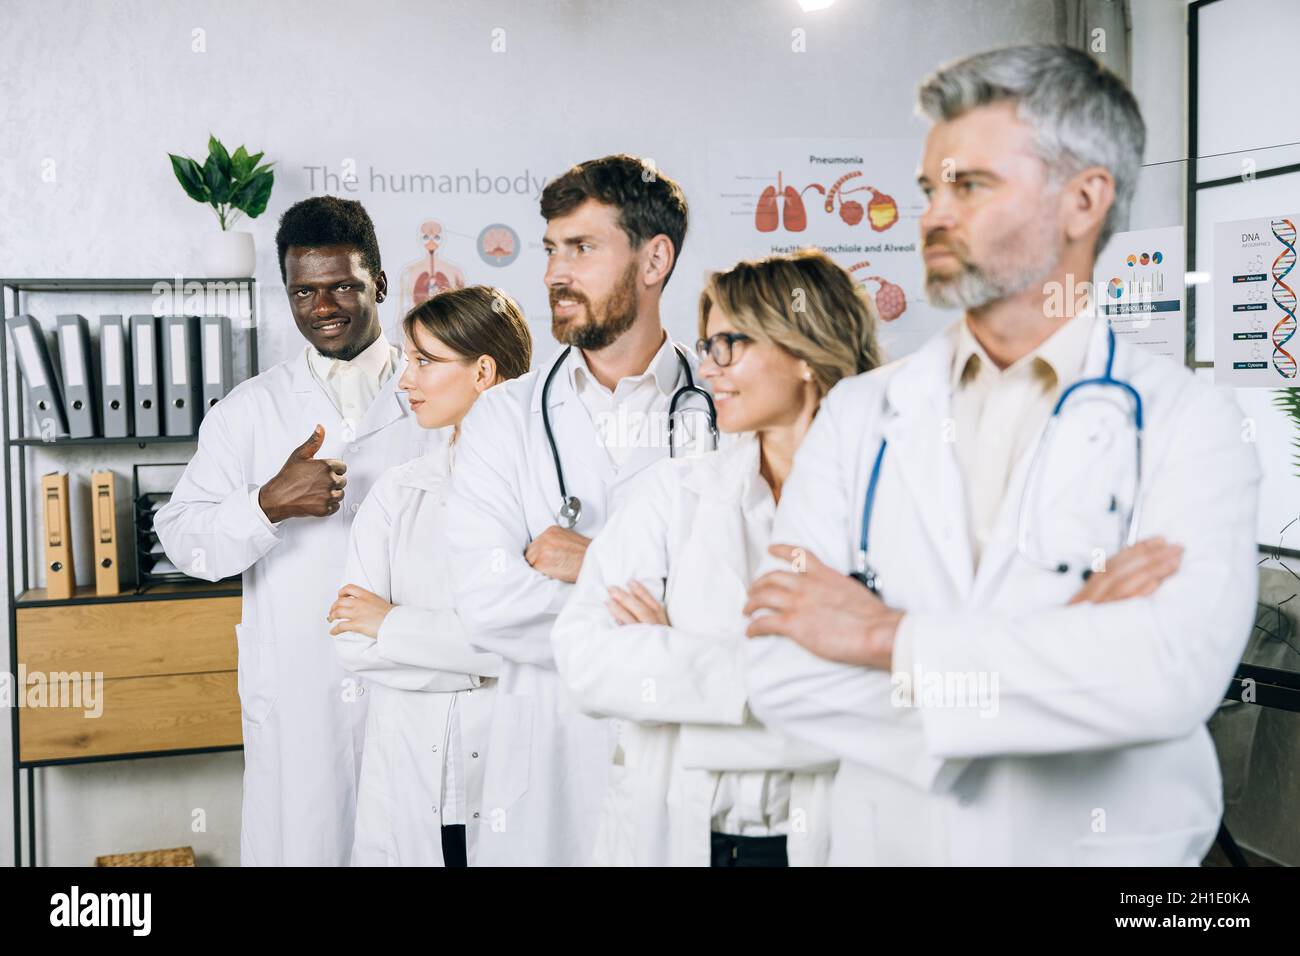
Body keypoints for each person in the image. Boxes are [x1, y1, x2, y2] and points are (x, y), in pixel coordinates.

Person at [742, 44, 1261, 866]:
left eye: (970, 184)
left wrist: (886, 639)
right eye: (928, 188)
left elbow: (1166, 677)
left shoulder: (1188, 421)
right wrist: (1062, 650)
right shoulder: (861, 412)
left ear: (1084, 200)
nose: (932, 214)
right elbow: (782, 673)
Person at [552, 250, 880, 866]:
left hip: (836, 836)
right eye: (707, 345)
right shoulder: (673, 492)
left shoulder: (893, 500)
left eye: (729, 343)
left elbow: (894, 695)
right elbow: (587, 660)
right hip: (678, 831)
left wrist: (676, 658)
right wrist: (786, 677)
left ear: (806, 349)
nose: (708, 367)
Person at [155, 196, 433, 866]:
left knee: (413, 841)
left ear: (380, 284)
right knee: (304, 843)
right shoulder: (250, 411)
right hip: (300, 688)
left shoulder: (437, 393)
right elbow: (182, 537)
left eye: (343, 285)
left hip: (415, 677)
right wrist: (266, 504)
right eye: (303, 291)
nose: (324, 307)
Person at [444, 154, 702, 866]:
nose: (556, 272)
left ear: (654, 260)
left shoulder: (723, 409)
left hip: (682, 769)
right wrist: (667, 606)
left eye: (582, 248)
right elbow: (489, 604)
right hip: (546, 775)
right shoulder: (503, 417)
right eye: (552, 249)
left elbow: (750, 605)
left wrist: (589, 562)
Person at [326, 286, 533, 867]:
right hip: (408, 780)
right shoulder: (398, 492)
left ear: (483, 372)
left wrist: (391, 622)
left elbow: (540, 642)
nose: (403, 380)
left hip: (504, 776)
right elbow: (351, 642)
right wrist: (479, 664)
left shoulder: (545, 497)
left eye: (425, 361)